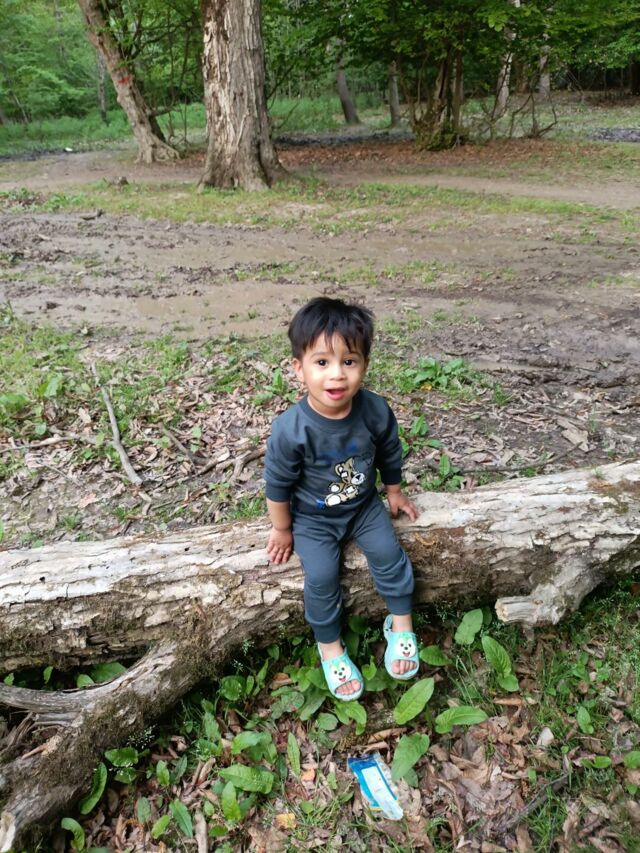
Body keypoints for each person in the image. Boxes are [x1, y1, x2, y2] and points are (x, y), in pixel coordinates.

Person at [264, 296, 419, 701]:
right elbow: (277, 485)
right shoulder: (291, 430)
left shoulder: (374, 410)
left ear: (364, 364)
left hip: (363, 507)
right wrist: (282, 529)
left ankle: (401, 624)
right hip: (313, 519)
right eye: (322, 362)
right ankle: (329, 646)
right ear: (299, 368)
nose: (336, 374)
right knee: (320, 577)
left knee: (389, 553)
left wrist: (394, 491)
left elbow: (389, 452)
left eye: (349, 361)